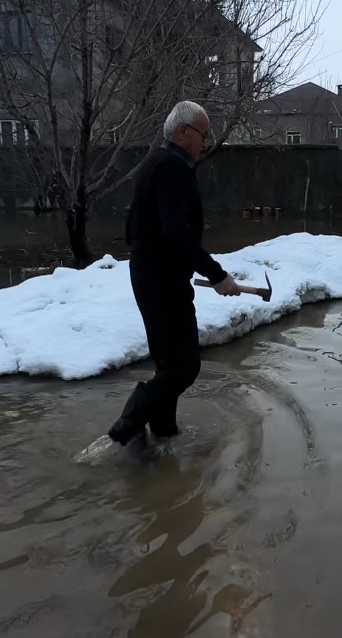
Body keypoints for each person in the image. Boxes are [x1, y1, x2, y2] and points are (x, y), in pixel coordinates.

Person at [108, 101, 241, 446]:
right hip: (162, 279)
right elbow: (177, 233)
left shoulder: (156, 162)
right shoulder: (171, 167)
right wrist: (217, 275)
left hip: (150, 273)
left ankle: (162, 434)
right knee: (184, 366)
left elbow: (142, 227)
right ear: (183, 132)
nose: (206, 143)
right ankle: (129, 424)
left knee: (168, 365)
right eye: (203, 135)